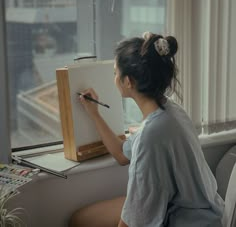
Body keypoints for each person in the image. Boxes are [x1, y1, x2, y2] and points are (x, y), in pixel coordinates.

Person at [69, 32, 224, 227]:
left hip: (189, 221)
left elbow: (136, 219)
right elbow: (121, 154)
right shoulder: (172, 110)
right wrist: (95, 114)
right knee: (79, 219)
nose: (114, 78)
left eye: (116, 72)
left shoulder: (150, 135)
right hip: (201, 210)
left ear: (128, 81)